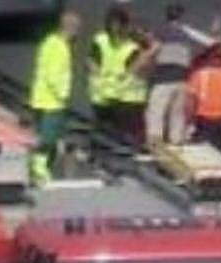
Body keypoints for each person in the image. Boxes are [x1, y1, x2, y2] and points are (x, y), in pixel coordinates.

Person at [28, 9, 82, 183]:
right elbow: (55, 74)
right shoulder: (60, 47)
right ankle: (39, 169)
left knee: (45, 136)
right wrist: (63, 94)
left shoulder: (49, 42)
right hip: (53, 101)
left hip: (41, 98)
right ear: (71, 28)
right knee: (49, 138)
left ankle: (41, 168)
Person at [90, 5, 154, 142]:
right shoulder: (132, 47)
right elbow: (140, 69)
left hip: (103, 96)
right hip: (126, 100)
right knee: (124, 140)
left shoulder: (100, 40)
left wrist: (100, 77)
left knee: (103, 135)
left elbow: (91, 62)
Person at [144, 3, 204, 146]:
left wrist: (141, 62)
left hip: (164, 79)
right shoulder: (186, 34)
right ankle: (176, 145)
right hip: (182, 81)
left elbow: (154, 49)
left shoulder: (162, 30)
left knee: (156, 113)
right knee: (177, 116)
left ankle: (155, 144)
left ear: (167, 15)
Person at [185, 45, 221, 156]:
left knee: (204, 155)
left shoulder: (200, 74)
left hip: (206, 119)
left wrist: (189, 120)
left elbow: (191, 100)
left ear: (211, 57)